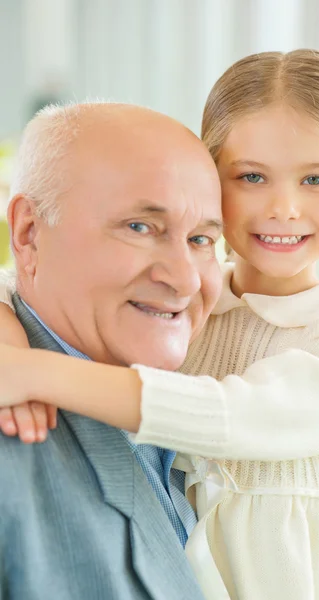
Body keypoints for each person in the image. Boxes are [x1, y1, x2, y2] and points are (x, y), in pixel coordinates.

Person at [0, 50, 319, 600]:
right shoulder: (189, 316)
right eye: (253, 176)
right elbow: (14, 278)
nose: (283, 207)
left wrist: (30, 372)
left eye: (315, 180)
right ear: (214, 181)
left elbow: (224, 414)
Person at [0, 102, 224, 600]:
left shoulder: (227, 381)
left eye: (202, 239)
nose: (185, 278)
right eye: (140, 227)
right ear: (29, 234)